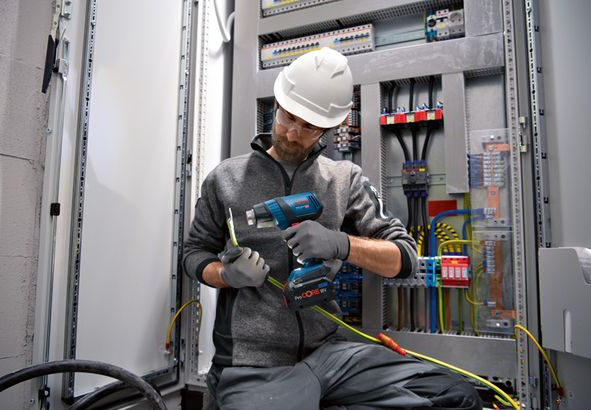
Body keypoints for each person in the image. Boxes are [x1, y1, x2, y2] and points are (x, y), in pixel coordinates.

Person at [183, 47, 482, 409]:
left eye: (308, 126)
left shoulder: (344, 179)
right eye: (287, 117)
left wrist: (341, 244)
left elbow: (405, 258)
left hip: (329, 354)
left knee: (455, 395)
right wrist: (227, 276)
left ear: (329, 127)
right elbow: (193, 253)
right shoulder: (225, 178)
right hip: (254, 364)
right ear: (277, 104)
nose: (292, 133)